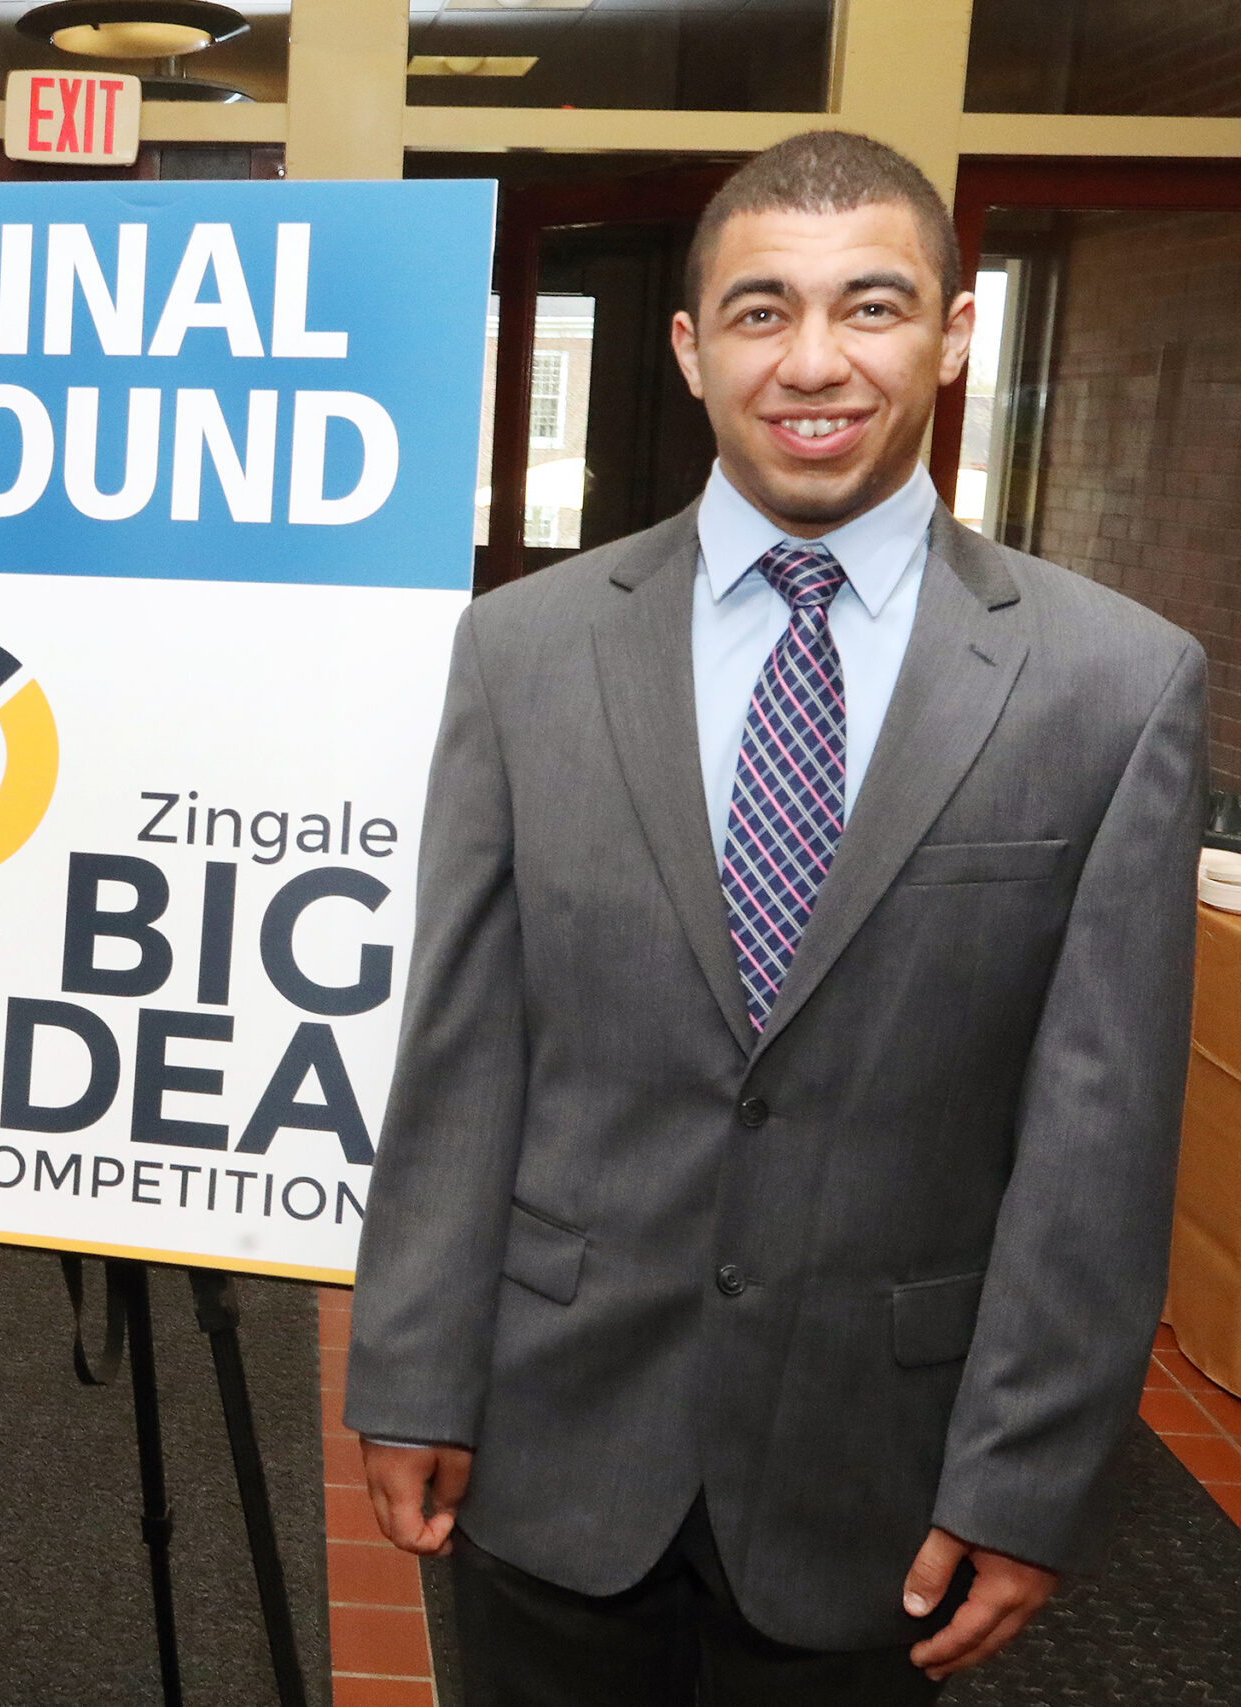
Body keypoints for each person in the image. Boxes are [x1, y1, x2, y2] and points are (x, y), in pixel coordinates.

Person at [348, 129, 1203, 1706]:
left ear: (953, 333)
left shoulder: (1114, 684)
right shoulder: (523, 651)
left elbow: (1100, 1138)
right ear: (689, 349)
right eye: (761, 311)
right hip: (556, 1440)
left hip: (874, 1477)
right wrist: (409, 1372)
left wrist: (1025, 1480)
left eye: (871, 307)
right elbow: (463, 1050)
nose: (814, 361)